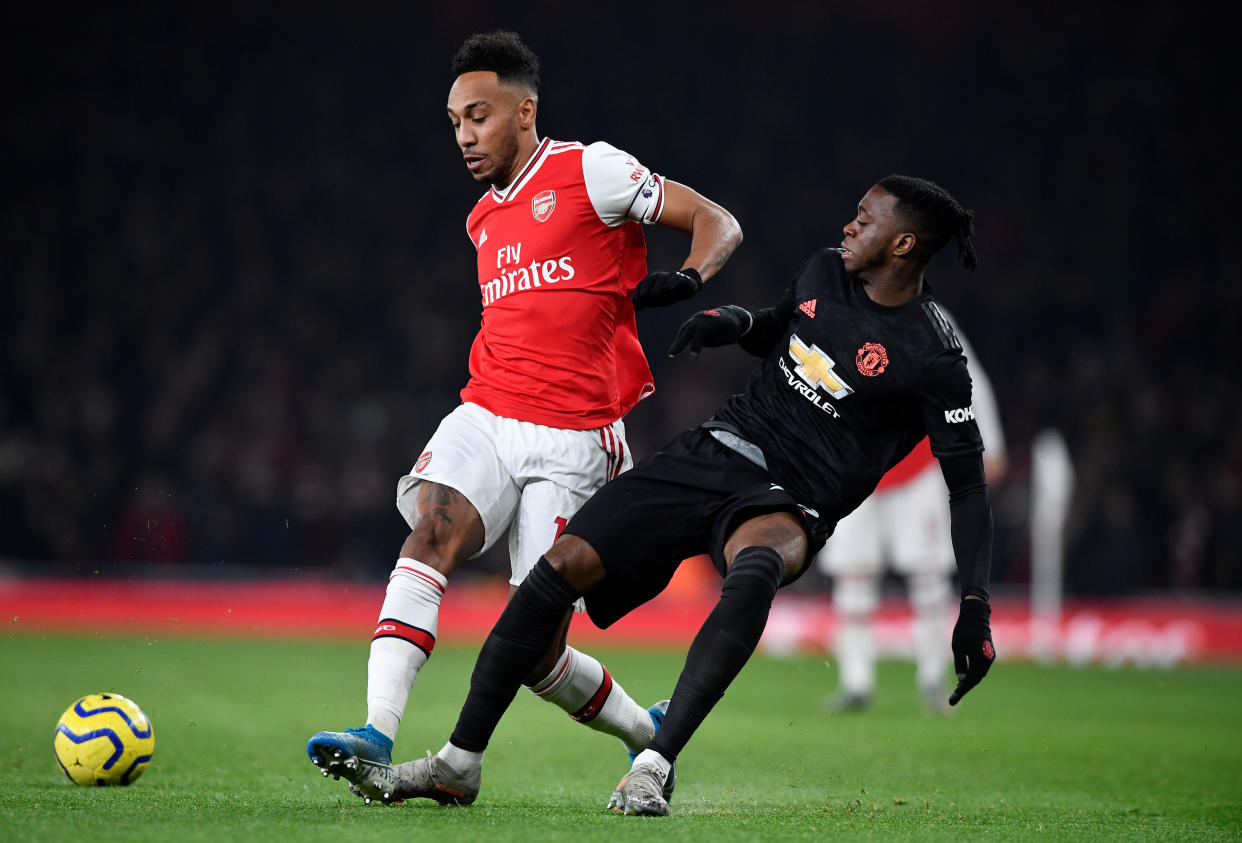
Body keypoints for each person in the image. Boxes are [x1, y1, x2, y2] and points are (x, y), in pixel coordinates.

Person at [355, 174, 997, 817]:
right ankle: (458, 764)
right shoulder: (826, 271)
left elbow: (967, 487)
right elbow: (785, 327)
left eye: (865, 219)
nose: (849, 227)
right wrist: (735, 322)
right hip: (720, 446)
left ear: (905, 243)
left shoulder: (933, 353)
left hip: (794, 496)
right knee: (557, 569)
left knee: (757, 568)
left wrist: (974, 606)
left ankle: (654, 765)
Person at [305, 30, 742, 800]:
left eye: (478, 115)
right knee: (431, 531)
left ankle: (648, 732)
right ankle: (375, 730)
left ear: (523, 110)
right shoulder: (481, 220)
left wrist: (689, 277)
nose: (465, 135)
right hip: (487, 409)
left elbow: (718, 220)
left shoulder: (590, 170)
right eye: (454, 122)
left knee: (536, 647)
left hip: (575, 436)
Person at [818, 308, 1006, 714]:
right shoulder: (841, 305)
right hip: (856, 464)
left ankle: (935, 682)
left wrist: (990, 440)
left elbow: (964, 370)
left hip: (916, 465)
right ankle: (856, 683)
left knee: (928, 577)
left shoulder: (925, 314)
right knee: (853, 575)